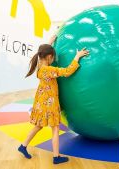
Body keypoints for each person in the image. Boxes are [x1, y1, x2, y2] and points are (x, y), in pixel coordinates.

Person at [18, 35, 89, 164]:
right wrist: (77, 57)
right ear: (49, 57)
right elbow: (67, 71)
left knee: (38, 126)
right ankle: (56, 157)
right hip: (49, 103)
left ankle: (23, 146)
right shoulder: (49, 70)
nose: (54, 59)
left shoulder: (40, 66)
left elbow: (43, 52)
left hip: (40, 102)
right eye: (53, 56)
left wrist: (49, 43)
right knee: (55, 128)